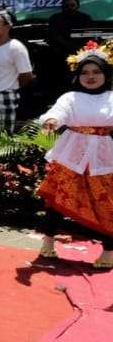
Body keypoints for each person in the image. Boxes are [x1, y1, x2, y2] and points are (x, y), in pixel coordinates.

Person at [36, 42, 113, 268]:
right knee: (56, 201)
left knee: (108, 205)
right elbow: (57, 112)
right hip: (71, 155)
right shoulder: (70, 97)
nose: (90, 77)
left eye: (96, 72)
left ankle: (108, 252)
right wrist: (52, 121)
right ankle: (48, 244)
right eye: (85, 72)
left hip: (103, 158)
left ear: (106, 73)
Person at [0, 10, 33, 131]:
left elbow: (27, 76)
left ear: (7, 26)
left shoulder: (16, 47)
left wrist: (7, 89)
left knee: (4, 141)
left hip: (5, 100)